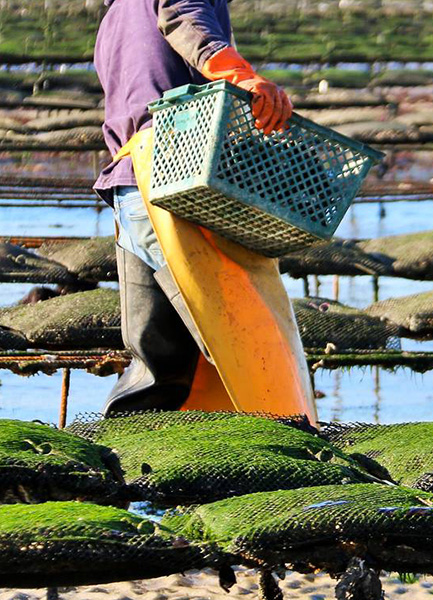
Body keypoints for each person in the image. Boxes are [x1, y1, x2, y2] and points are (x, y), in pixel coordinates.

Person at [94, 0, 294, 414]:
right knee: (232, 330)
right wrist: (245, 78)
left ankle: (130, 460)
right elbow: (184, 18)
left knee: (157, 361)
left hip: (133, 183)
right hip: (173, 178)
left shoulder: (116, 13)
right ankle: (279, 433)